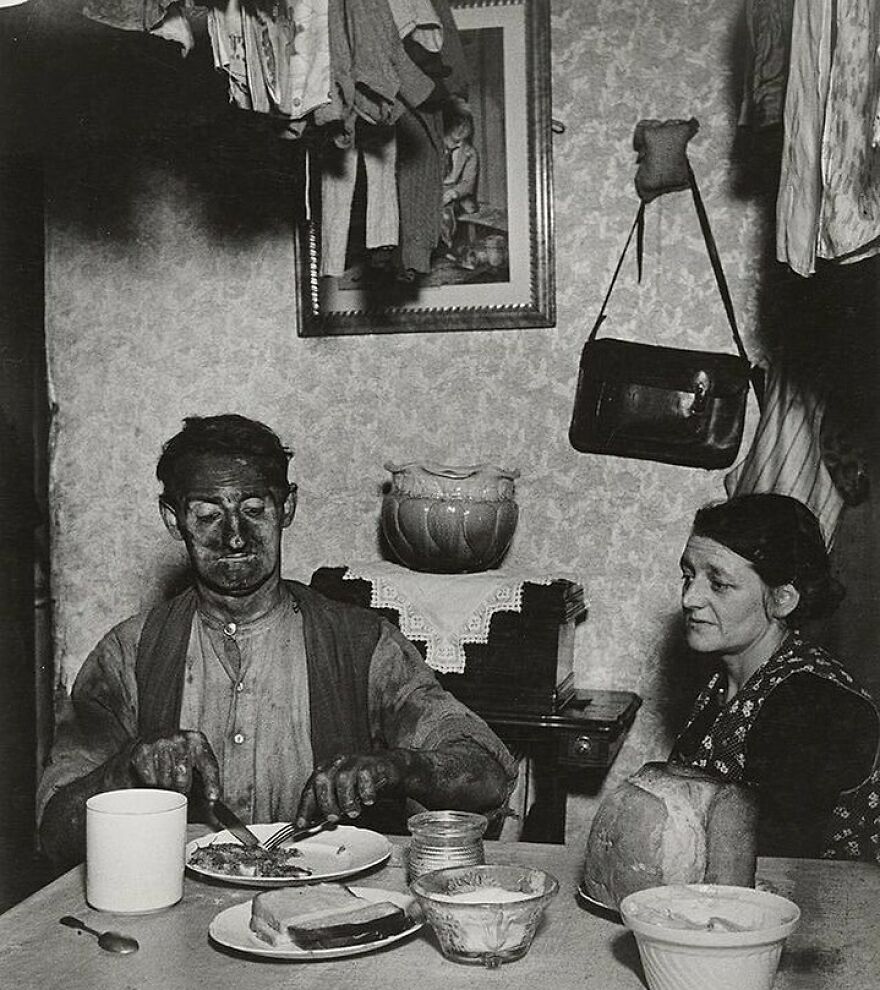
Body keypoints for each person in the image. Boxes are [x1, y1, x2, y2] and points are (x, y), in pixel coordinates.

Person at [37, 415, 517, 867]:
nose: (235, 537)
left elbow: (488, 776)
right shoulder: (129, 653)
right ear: (172, 518)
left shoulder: (362, 644)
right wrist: (127, 770)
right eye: (207, 514)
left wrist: (399, 767)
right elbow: (54, 834)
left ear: (286, 507)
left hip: (321, 908)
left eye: (253, 510)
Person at [669, 492, 880, 860]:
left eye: (719, 584)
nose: (689, 598)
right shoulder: (727, 681)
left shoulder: (811, 704)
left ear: (782, 598)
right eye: (689, 576)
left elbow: (779, 857)